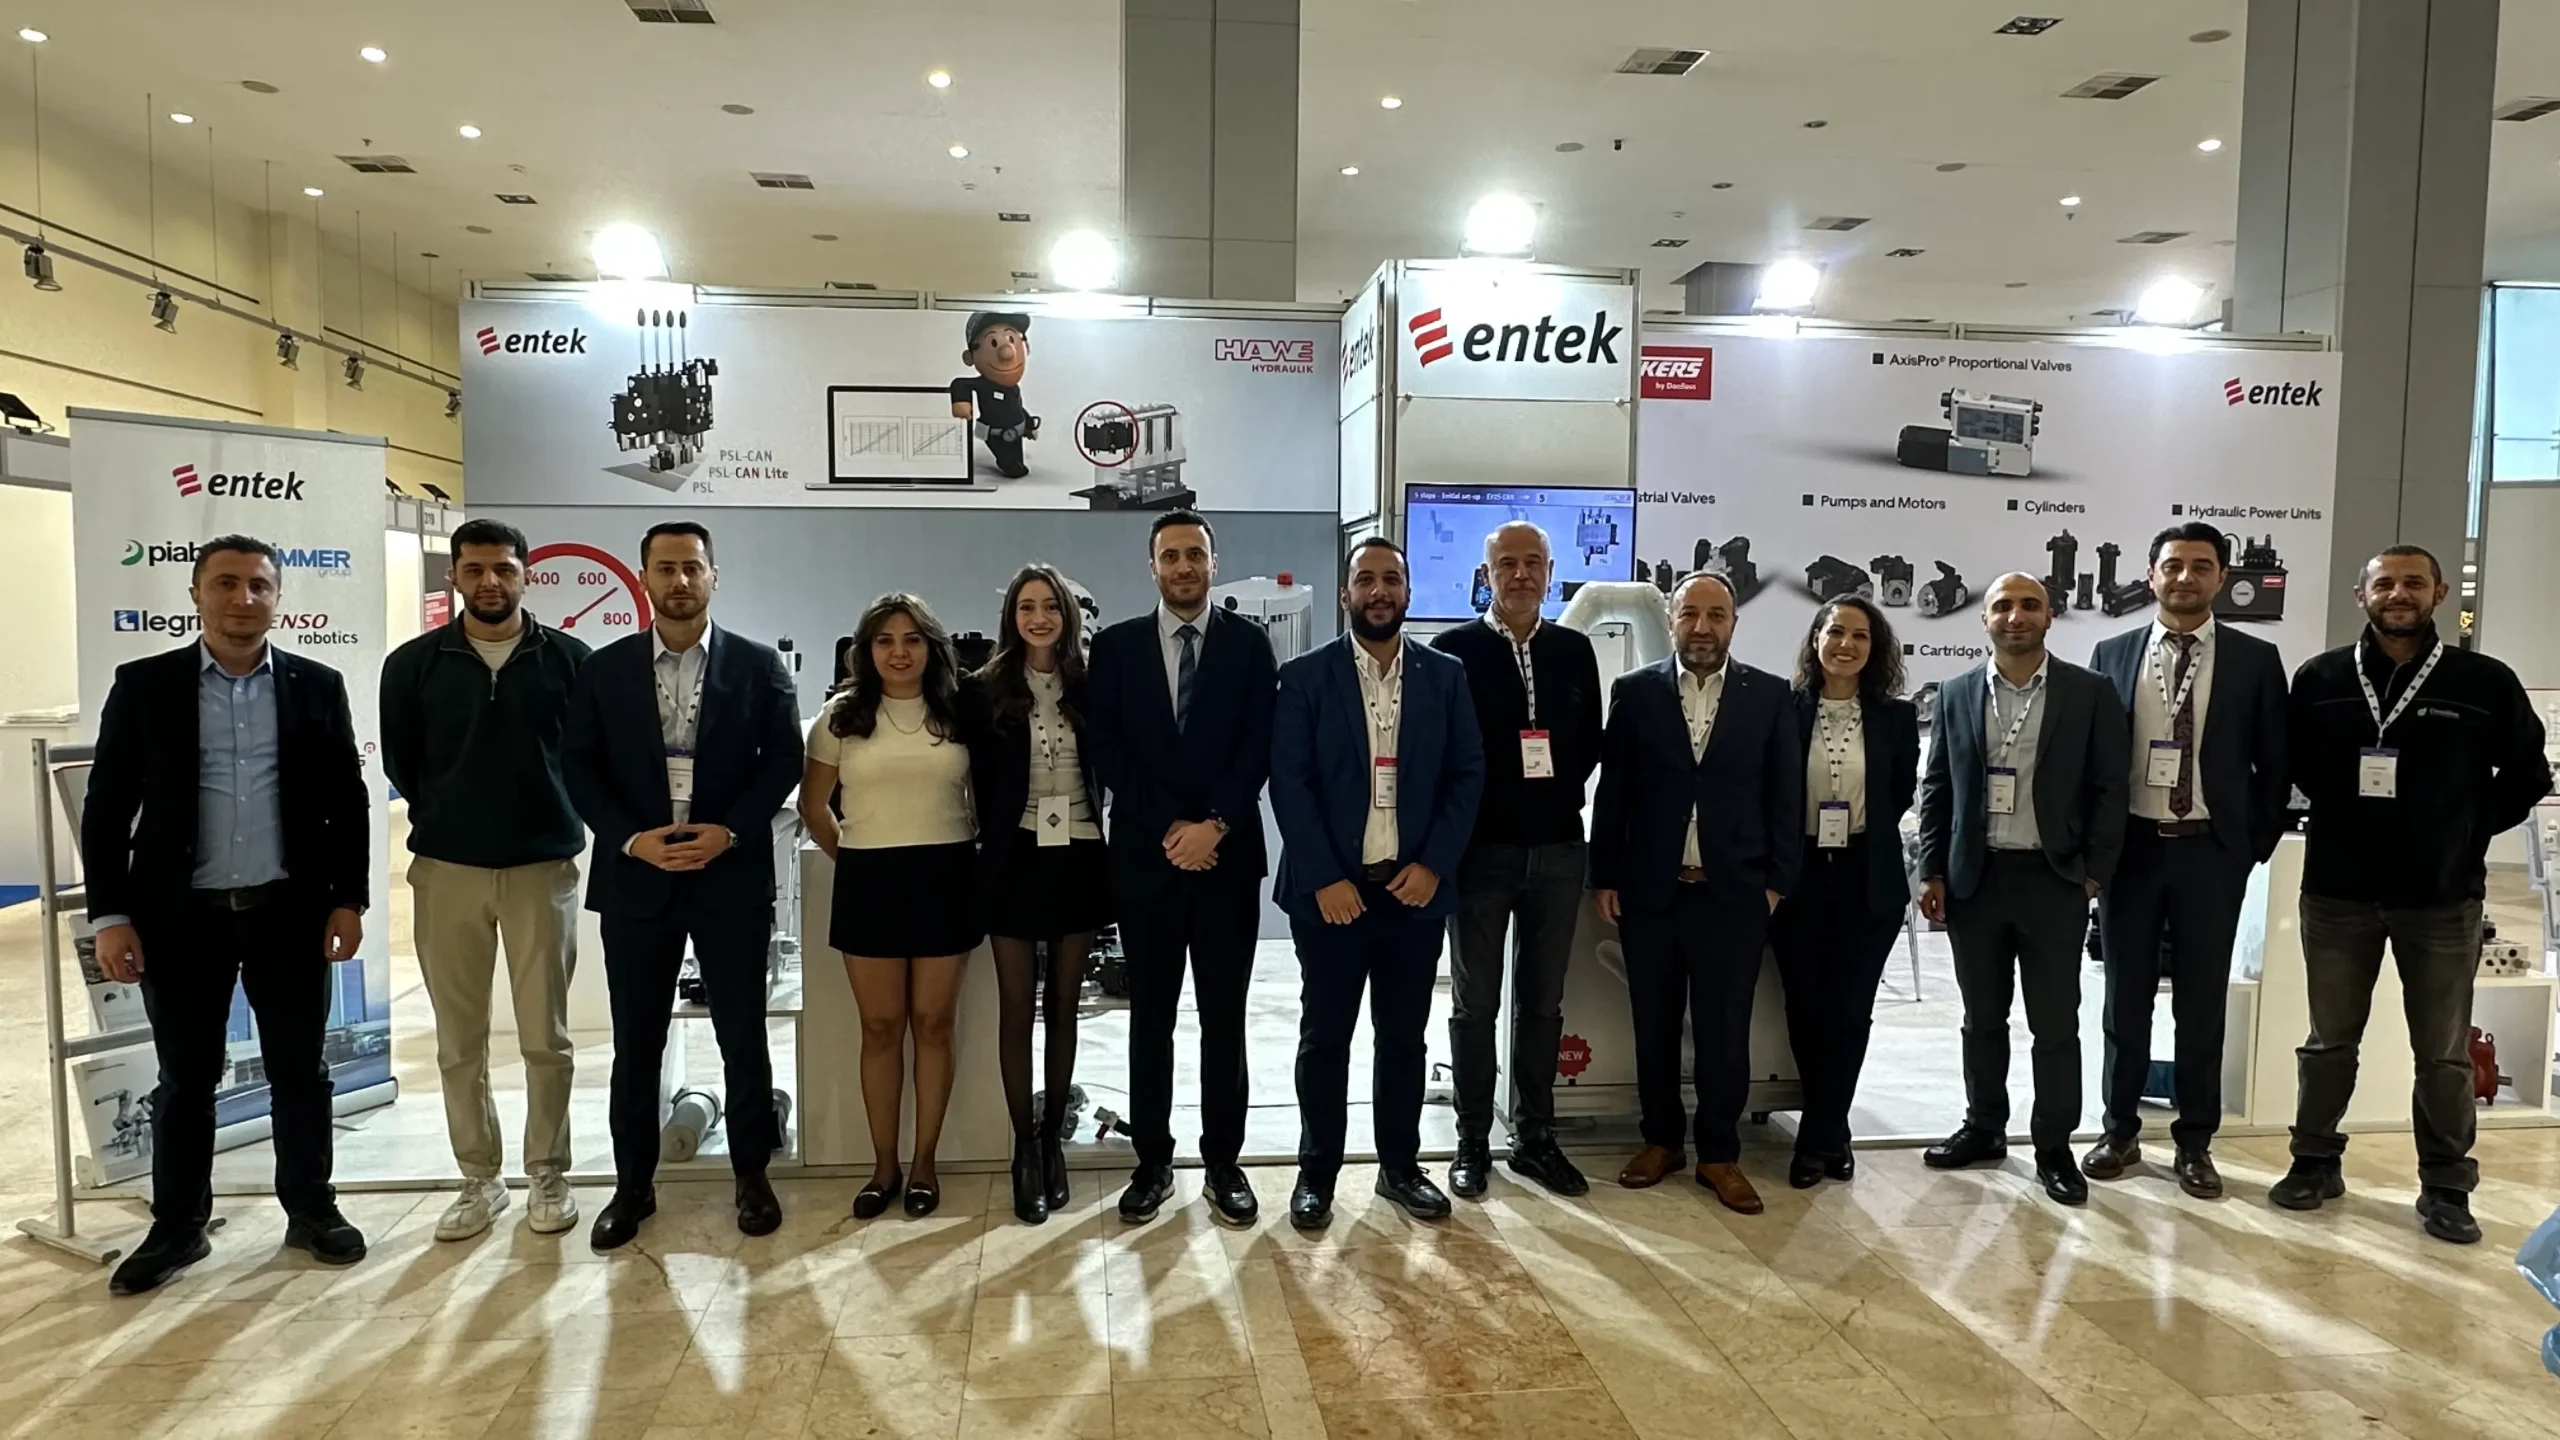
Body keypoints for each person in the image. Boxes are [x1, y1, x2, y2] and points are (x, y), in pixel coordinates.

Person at [82, 537, 370, 1295]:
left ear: (278, 597)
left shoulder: (317, 684)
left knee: (300, 1072)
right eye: (226, 584)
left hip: (289, 913)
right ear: (196, 594)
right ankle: (178, 1226)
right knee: (186, 1080)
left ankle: (311, 1209)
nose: (243, 599)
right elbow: (107, 809)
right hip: (181, 920)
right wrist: (109, 915)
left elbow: (346, 802)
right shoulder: (146, 685)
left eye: (258, 586)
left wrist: (349, 897)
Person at [2271, 546, 2551, 1244]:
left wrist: (2467, 828)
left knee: (2444, 1052)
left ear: (2439, 594)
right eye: (2385, 583)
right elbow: (2293, 764)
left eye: (2414, 583)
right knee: (2329, 1042)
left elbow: (2528, 773)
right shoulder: (2320, 678)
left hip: (2442, 898)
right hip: (2337, 893)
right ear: (2361, 595)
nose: (2399, 594)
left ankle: (2447, 1186)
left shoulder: (2483, 681)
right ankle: (2314, 1163)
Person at [561, 522, 803, 1249]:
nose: (679, 581)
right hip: (638, 877)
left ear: (713, 576)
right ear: (644, 577)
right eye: (665, 568)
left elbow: (782, 761)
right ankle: (633, 1186)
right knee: (636, 1043)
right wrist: (631, 839)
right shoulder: (603, 670)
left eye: (692, 568)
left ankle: (752, 1175)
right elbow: (579, 766)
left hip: (728, 875)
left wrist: (729, 831)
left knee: (742, 1035)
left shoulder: (758, 666)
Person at [380, 518, 592, 1242]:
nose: (489, 582)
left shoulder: (569, 660)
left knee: (546, 1038)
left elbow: (585, 758)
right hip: (448, 872)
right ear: (454, 578)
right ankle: (480, 1178)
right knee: (458, 1042)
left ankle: (548, 1173)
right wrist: (453, 819)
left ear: (526, 574)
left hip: (541, 870)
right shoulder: (413, 665)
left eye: (503, 568)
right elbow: (404, 764)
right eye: (473, 569)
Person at [1271, 537, 1484, 1230]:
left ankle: (1400, 1167)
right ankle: (1316, 1174)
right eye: (1366, 579)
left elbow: (1467, 775)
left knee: (1403, 1039)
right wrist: (1325, 877)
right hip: (1332, 896)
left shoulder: (1445, 676)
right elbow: (1290, 783)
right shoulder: (1305, 677)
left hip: (1412, 892)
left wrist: (1434, 866)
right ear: (1346, 594)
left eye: (1392, 579)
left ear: (1409, 592)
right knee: (1324, 1037)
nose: (1379, 590)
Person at [2083, 524, 2290, 1202]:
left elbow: (2275, 764)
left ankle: (2195, 1142)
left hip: (2211, 852)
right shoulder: (2112, 653)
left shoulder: (2256, 659)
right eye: (2172, 565)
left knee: (2202, 1007)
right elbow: (2097, 761)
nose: (2185, 577)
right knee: (2125, 1001)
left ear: (2222, 577)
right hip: (2133, 852)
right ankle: (2119, 1131)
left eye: (2201, 566)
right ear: (2150, 575)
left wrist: (2249, 848)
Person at [1084, 510, 1277, 1227]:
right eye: (1171, 555)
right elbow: (1108, 750)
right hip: (1149, 860)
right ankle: (1152, 1162)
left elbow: (1259, 745)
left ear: (1213, 563)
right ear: (1153, 567)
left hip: (1228, 861)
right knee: (1151, 1020)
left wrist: (1214, 825)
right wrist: (1174, 827)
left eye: (1195, 553)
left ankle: (1224, 1163)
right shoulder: (1116, 648)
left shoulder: (1250, 646)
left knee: (1225, 1019)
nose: (1184, 566)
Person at [1590, 571, 1801, 1216]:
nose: (1702, 628)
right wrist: (1605, 875)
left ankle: (1718, 1153)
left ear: (1734, 623)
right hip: (1652, 893)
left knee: (1724, 1032)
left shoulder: (1771, 696)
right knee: (1652, 1027)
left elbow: (1786, 797)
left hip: (1733, 897)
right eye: (1690, 615)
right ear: (1672, 620)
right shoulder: (1635, 692)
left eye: (1716, 615)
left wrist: (1775, 885)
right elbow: (1614, 792)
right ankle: (1660, 1141)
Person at [1916, 572, 2127, 1206]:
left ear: (2049, 616)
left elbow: (2109, 788)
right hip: (1975, 881)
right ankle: (1984, 1128)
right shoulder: (1955, 693)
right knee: (1982, 1019)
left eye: (2029, 605)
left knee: (2055, 1024)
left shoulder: (2088, 692)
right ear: (1984, 620)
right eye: (2002, 606)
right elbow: (1937, 788)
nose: (2016, 616)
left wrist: (2093, 872)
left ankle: (2054, 1147)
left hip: (2053, 879)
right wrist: (1931, 870)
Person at [1428, 521, 1601, 1199]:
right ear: (1486, 574)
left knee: (1544, 1002)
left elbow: (1587, 744)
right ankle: (1473, 1141)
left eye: (1533, 563)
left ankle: (1535, 1139)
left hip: (1558, 847)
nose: (1521, 574)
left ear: (1551, 573)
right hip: (1481, 852)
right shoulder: (1453, 652)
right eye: (1507, 563)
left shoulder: (1574, 650)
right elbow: (1443, 754)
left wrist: (1551, 793)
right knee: (1475, 1004)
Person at [800, 593, 979, 1220]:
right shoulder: (840, 716)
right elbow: (813, 807)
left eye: (911, 639)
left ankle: (925, 1163)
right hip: (869, 880)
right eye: (884, 641)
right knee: (879, 1027)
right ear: (865, 650)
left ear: (931, 647)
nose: (899, 652)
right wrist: (853, 860)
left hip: (946, 874)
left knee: (933, 1024)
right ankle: (884, 1167)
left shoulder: (959, 710)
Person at [965, 564, 1113, 1225]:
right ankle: (1024, 1147)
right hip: (1013, 859)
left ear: (1067, 615)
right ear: (1012, 617)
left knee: (1065, 1006)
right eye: (1026, 606)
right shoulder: (984, 690)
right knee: (1016, 1007)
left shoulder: (1091, 683)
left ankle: (1054, 1139)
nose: (1039, 617)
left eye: (1050, 606)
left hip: (1079, 853)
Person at [1769, 597, 1920, 1190]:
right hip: (1798, 875)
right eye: (1835, 632)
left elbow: (1899, 795)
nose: (1846, 645)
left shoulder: (1896, 718)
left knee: (1850, 1011)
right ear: (1815, 640)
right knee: (1805, 1008)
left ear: (1874, 648)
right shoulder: (1784, 709)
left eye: (1860, 635)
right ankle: (1832, 1128)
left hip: (1866, 878)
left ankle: (1816, 1138)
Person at [950, 310, 1039, 479]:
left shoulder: (1013, 388)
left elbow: (1017, 407)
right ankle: (1008, 463)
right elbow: (960, 383)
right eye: (993, 342)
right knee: (1008, 459)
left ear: (1025, 347)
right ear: (969, 357)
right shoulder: (983, 385)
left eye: (1012, 339)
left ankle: (1014, 462)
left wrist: (1028, 424)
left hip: (1016, 432)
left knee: (1016, 456)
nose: (1007, 352)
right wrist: (961, 401)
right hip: (996, 434)